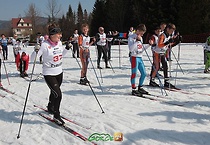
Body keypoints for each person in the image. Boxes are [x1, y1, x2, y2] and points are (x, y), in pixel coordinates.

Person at [31, 22, 70, 125]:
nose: (61, 36)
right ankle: (56, 116)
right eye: (59, 34)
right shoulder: (44, 45)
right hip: (49, 73)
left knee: (54, 92)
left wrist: (67, 49)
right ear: (52, 35)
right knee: (58, 95)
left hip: (59, 72)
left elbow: (61, 55)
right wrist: (35, 51)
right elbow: (32, 59)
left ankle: (50, 106)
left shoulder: (59, 43)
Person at [150, 23, 177, 88]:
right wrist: (167, 42)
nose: (172, 32)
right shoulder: (162, 35)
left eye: (173, 31)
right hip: (157, 53)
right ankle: (152, 81)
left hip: (162, 53)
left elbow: (169, 45)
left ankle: (166, 82)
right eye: (171, 30)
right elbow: (159, 45)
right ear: (167, 29)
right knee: (157, 67)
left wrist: (177, 41)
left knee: (165, 66)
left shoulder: (168, 36)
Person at [128, 24, 151, 96]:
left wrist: (148, 45)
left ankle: (140, 87)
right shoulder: (131, 37)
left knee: (144, 73)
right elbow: (131, 49)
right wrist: (136, 41)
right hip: (134, 57)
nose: (142, 34)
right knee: (134, 73)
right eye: (141, 33)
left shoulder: (140, 38)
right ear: (138, 30)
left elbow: (141, 49)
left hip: (139, 57)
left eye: (143, 33)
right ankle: (133, 89)